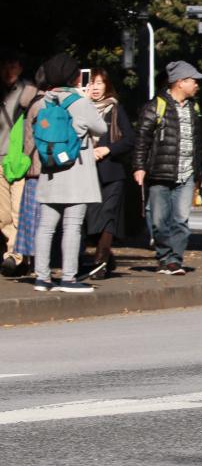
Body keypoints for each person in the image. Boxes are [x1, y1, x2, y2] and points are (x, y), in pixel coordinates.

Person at [29, 53, 107, 292]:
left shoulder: (43, 102)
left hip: (50, 169)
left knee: (46, 226)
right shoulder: (80, 102)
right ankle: (69, 278)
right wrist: (86, 102)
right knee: (72, 225)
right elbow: (101, 127)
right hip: (77, 171)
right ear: (74, 77)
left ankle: (42, 277)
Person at [133, 60, 202, 275]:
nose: (197, 85)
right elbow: (142, 139)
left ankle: (175, 260)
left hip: (187, 172)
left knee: (181, 220)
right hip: (159, 172)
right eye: (193, 81)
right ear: (180, 82)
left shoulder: (195, 108)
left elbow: (198, 141)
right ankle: (163, 256)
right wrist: (139, 166)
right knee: (159, 221)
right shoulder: (156, 106)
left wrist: (199, 170)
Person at [82, 67, 134, 279]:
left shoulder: (115, 110)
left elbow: (130, 139)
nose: (95, 88)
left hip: (112, 172)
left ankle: (100, 263)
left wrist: (108, 149)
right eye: (92, 83)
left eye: (99, 83)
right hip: (86, 173)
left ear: (107, 86)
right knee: (91, 220)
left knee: (108, 216)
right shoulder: (80, 107)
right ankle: (107, 256)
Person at [1, 50, 37, 276]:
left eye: (13, 64)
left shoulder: (28, 91)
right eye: (6, 64)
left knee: (17, 210)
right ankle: (12, 252)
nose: (9, 69)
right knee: (2, 214)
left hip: (20, 160)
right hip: (0, 158)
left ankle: (16, 256)